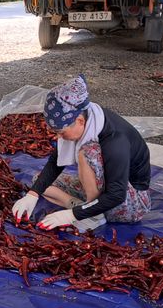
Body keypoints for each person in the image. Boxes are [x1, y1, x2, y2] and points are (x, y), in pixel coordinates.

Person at [11, 75, 151, 232]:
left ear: (79, 121)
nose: (59, 137)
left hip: (130, 202)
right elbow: (55, 163)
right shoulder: (88, 117)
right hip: (104, 189)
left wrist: (71, 216)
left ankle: (93, 215)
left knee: (87, 152)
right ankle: (82, 206)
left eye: (61, 132)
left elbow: (117, 194)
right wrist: (32, 195)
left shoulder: (115, 140)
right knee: (40, 182)